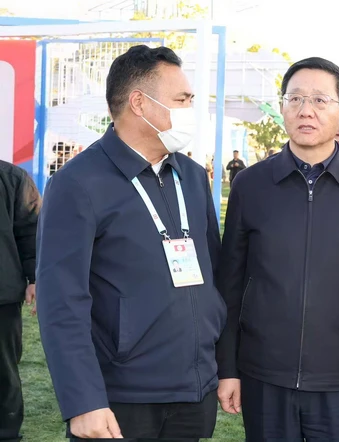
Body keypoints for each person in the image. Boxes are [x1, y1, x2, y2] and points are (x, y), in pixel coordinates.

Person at [36, 45, 226, 441]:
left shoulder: (192, 176)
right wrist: (83, 401)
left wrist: (219, 365)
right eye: (182, 99)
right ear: (139, 103)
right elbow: (61, 301)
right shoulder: (78, 183)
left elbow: (212, 274)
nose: (192, 109)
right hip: (121, 398)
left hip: (193, 392)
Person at [216, 57, 339, 442]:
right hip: (264, 374)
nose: (306, 110)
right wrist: (227, 368)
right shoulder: (251, 185)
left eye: (319, 100)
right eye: (295, 99)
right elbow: (230, 284)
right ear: (282, 107)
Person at [0, 161, 40, 442]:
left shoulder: (11, 177)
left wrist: (36, 277)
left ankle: (6, 432)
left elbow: (32, 230)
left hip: (1, 296)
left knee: (3, 370)